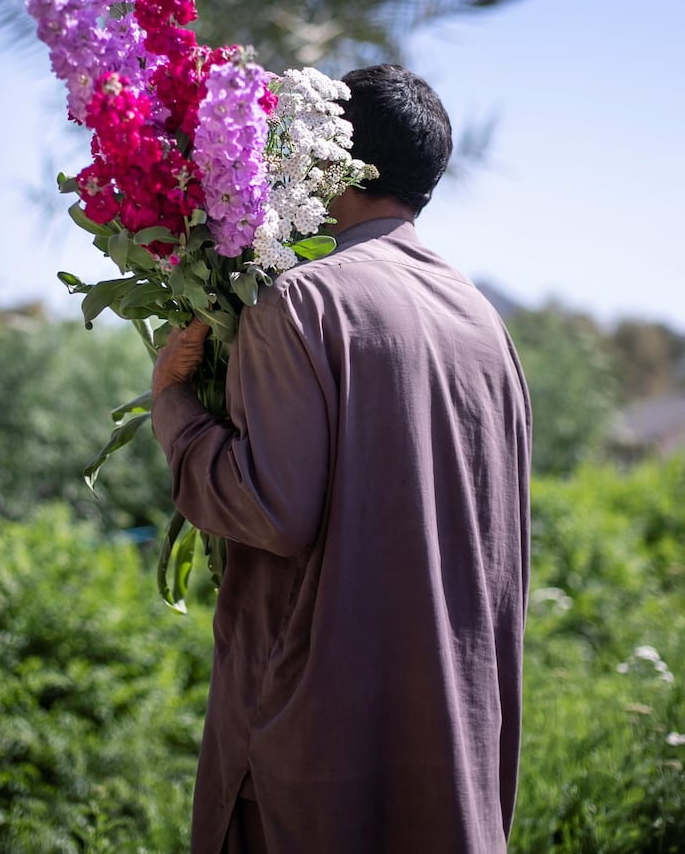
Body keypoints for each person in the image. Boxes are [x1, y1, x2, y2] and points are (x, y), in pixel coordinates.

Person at [151, 64, 532, 854]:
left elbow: (271, 510)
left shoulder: (299, 299)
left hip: (315, 760)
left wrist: (176, 409)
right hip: (453, 742)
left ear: (333, 155)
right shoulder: (483, 323)